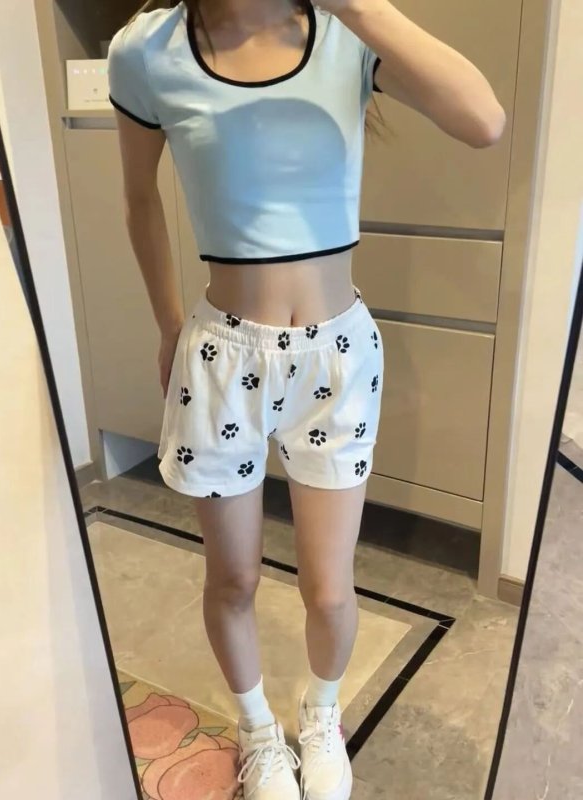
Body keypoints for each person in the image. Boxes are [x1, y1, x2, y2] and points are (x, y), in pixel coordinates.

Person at [107, 1, 505, 797]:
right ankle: (258, 731)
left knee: (329, 588)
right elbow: (140, 198)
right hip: (222, 356)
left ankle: (322, 716)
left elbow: (484, 120)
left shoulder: (346, 32)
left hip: (337, 357)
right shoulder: (146, 52)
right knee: (233, 579)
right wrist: (166, 326)